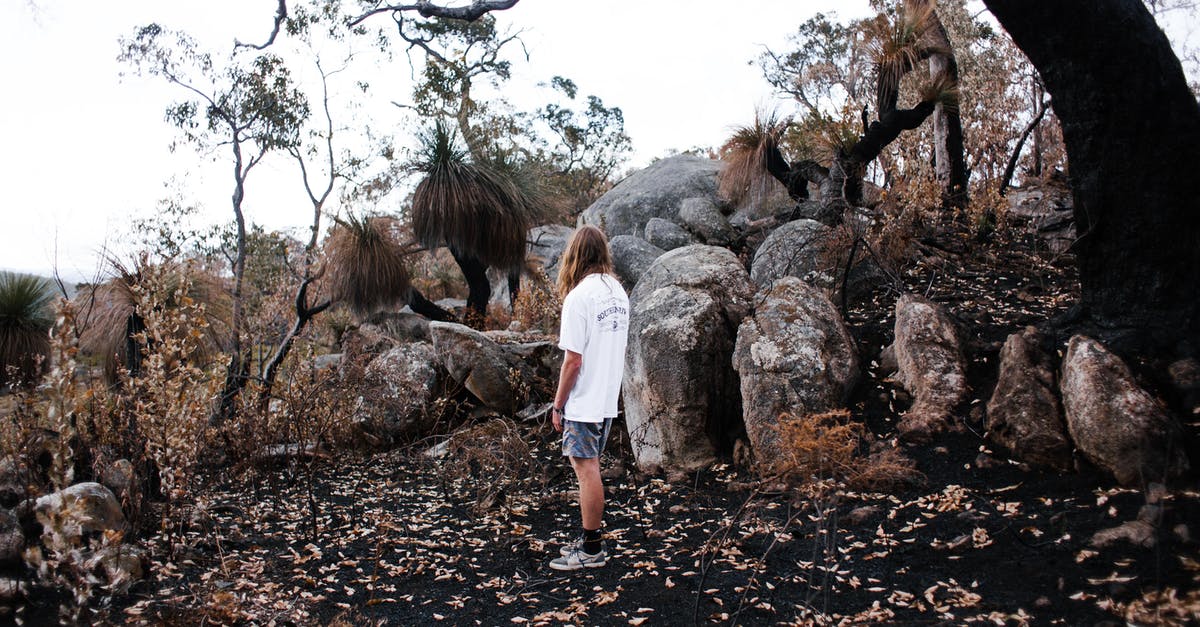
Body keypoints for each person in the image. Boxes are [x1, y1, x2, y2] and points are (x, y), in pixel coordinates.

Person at [549, 225, 629, 571]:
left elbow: (573, 360)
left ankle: (592, 551)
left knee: (586, 471)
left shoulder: (579, 297)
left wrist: (558, 404)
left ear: (574, 255)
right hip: (607, 398)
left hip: (584, 401)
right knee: (590, 468)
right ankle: (588, 540)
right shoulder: (618, 292)